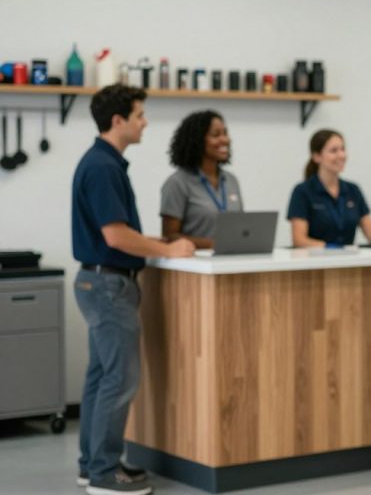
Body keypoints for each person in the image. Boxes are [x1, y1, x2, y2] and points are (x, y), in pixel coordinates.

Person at [72, 84, 195, 495]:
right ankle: (105, 476)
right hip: (109, 284)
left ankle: (93, 466)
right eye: (140, 115)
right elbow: (117, 236)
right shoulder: (103, 167)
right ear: (118, 120)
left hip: (98, 282)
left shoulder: (104, 162)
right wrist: (167, 246)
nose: (146, 122)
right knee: (119, 380)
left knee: (100, 377)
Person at [287, 129, 371, 247]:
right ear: (316, 157)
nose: (341, 155)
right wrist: (331, 248)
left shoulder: (353, 190)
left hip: (348, 262)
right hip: (315, 262)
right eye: (334, 151)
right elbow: (299, 240)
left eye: (343, 149)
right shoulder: (302, 192)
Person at [160, 110, 243, 249]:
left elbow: (240, 226)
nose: (224, 140)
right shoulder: (177, 183)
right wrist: (212, 244)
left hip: (231, 262)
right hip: (194, 265)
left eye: (225, 133)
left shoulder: (231, 180)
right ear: (197, 140)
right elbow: (169, 236)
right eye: (216, 135)